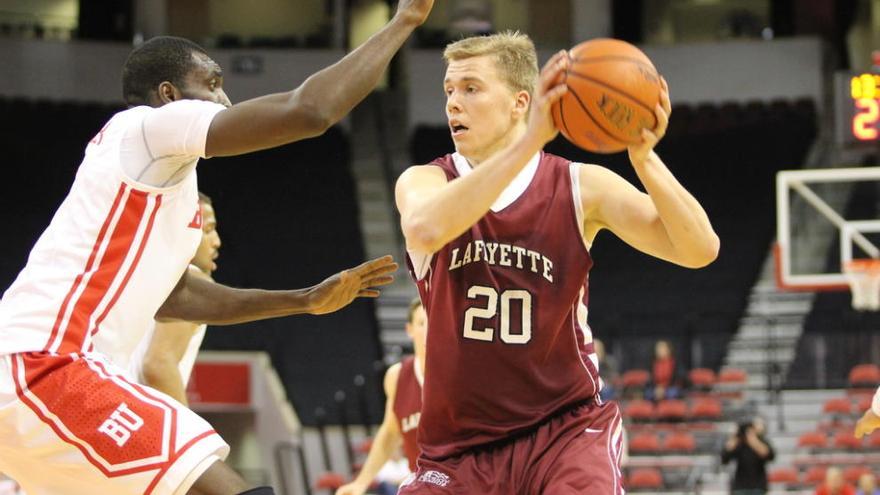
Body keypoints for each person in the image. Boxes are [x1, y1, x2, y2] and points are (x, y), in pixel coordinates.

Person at [0, 1, 433, 494]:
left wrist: (303, 300)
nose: (225, 100)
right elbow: (310, 111)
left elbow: (179, 297)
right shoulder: (146, 127)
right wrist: (404, 23)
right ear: (169, 94)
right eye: (212, 83)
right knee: (217, 477)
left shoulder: (162, 192)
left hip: (34, 373)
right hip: (46, 360)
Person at [394, 31, 718, 493]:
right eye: (448, 90)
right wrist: (528, 143)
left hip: (564, 430)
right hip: (458, 448)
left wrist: (644, 159)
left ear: (520, 102)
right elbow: (425, 229)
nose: (453, 104)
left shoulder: (580, 186)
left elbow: (699, 248)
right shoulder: (424, 181)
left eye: (470, 88)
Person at [131, 192, 221, 404]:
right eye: (207, 229)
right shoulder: (192, 281)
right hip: (141, 416)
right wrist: (186, 431)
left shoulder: (139, 275)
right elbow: (158, 364)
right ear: (182, 230)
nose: (217, 241)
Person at [336, 297, 427, 495]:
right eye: (422, 323)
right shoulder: (397, 376)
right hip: (421, 484)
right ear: (409, 330)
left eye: (434, 323)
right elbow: (390, 432)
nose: (429, 330)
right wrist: (361, 482)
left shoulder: (459, 372)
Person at [721, 417, 775, 495]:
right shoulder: (738, 443)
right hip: (740, 486)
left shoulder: (761, 441)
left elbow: (769, 455)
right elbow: (724, 457)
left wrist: (753, 438)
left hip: (758, 486)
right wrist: (735, 436)